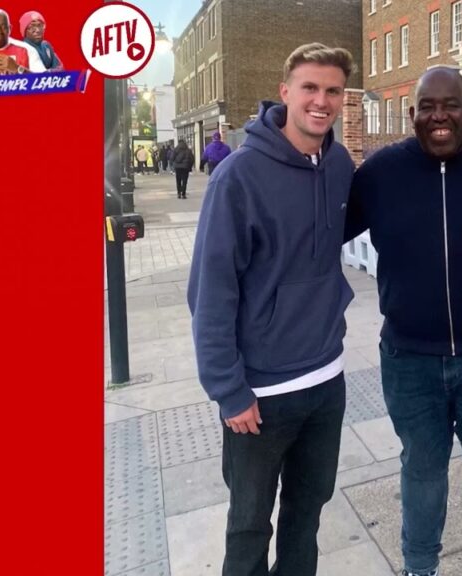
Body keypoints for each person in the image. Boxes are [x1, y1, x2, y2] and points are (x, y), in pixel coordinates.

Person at [346, 67, 462, 576]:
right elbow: (317, 228)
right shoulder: (381, 173)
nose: (439, 116)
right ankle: (418, 567)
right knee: (422, 474)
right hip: (409, 359)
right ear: (412, 114)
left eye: (450, 104)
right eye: (427, 106)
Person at [187, 43, 356, 576]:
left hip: (326, 381)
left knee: (306, 518)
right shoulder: (237, 176)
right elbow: (210, 292)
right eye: (310, 87)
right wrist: (228, 389)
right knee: (249, 525)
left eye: (332, 90)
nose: (321, 101)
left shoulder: (340, 164)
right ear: (285, 92)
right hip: (259, 396)